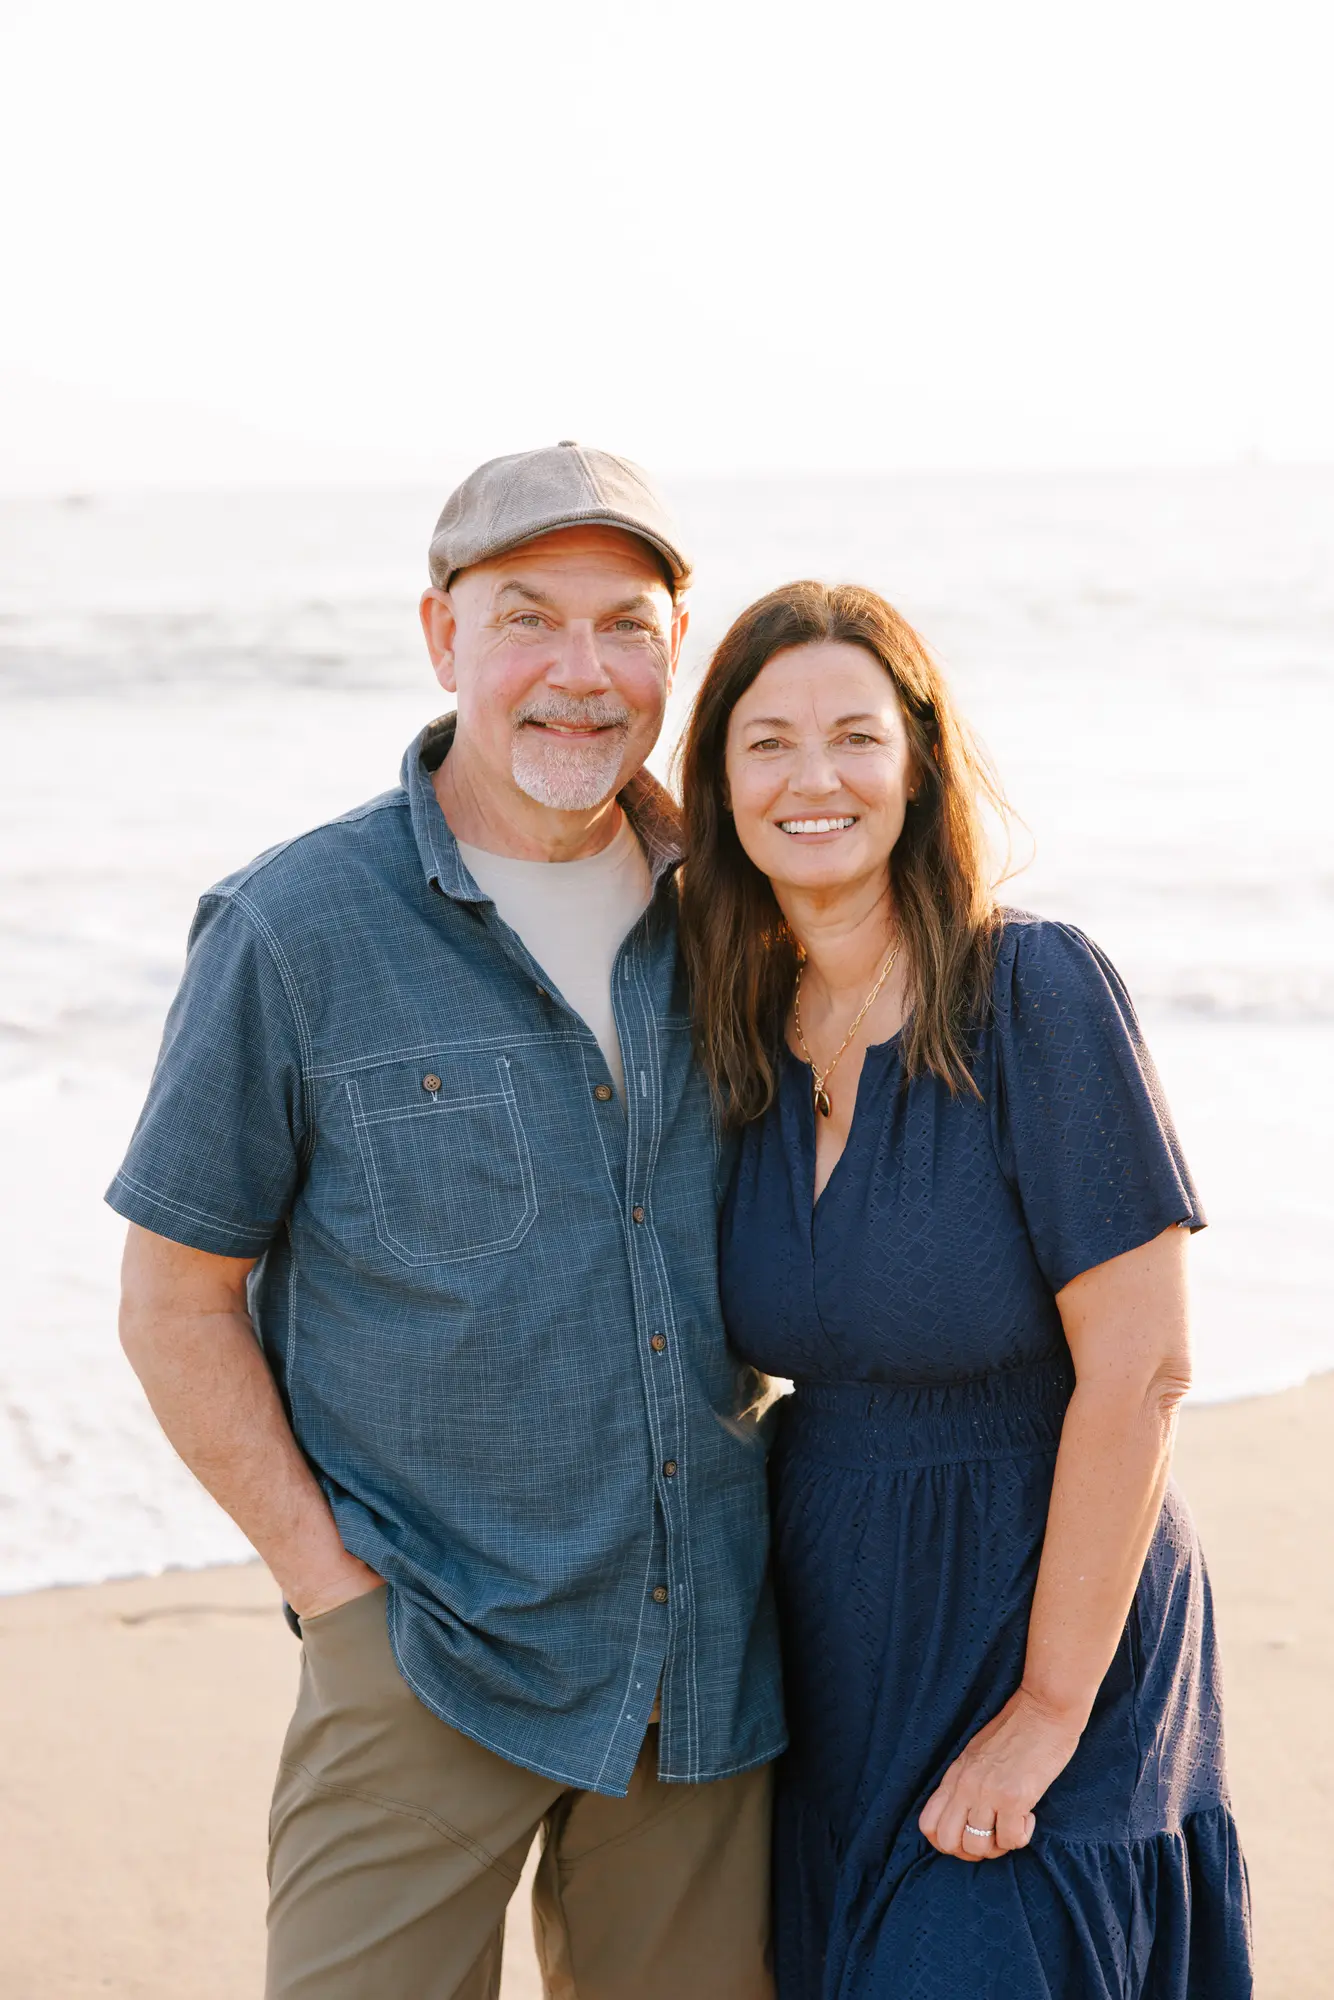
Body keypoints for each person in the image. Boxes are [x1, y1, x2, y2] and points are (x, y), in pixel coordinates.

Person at [107, 443, 784, 2000]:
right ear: (441, 637)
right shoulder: (293, 927)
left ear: (674, 651)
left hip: (706, 1674)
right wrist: (336, 1601)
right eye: (526, 616)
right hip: (423, 1660)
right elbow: (173, 1301)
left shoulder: (738, 915)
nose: (579, 672)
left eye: (624, 625)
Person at [677, 580, 1253, 1998]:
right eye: (764, 744)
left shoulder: (1031, 991)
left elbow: (1142, 1369)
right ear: (719, 786)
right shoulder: (739, 1038)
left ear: (919, 763)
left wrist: (1047, 1711)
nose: (813, 778)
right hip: (835, 1655)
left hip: (1044, 1614)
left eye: (854, 736)